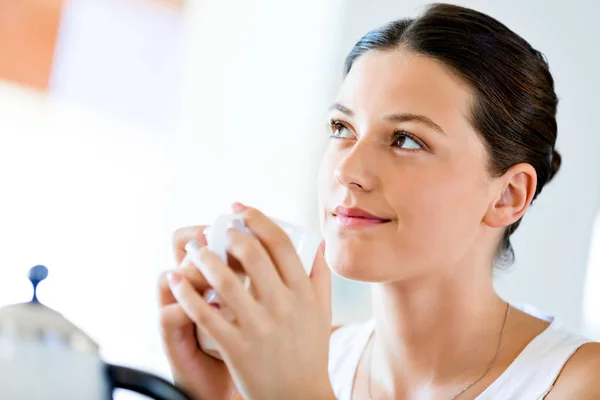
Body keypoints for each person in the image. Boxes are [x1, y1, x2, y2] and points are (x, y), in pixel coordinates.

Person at [158, 3, 600, 399]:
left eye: (406, 140)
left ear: (508, 195)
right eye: (341, 128)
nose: (347, 170)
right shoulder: (299, 363)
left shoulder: (579, 383)